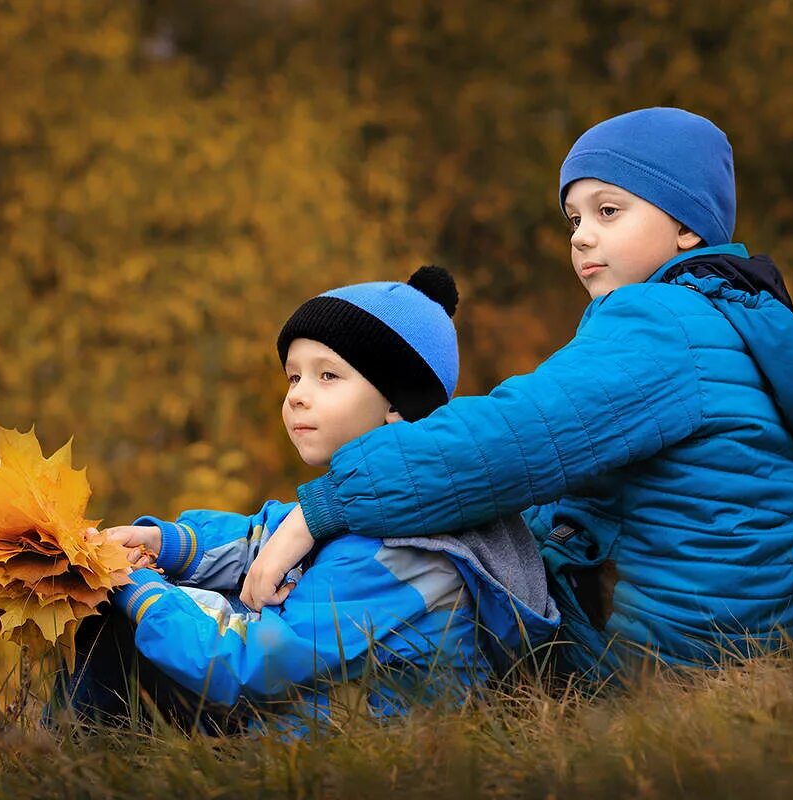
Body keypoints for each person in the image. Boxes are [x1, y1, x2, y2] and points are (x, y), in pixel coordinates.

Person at [240, 108, 793, 681]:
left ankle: (248, 670)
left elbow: (513, 441)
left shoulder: (661, 326)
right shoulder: (742, 322)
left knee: (432, 541)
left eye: (608, 211)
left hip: (653, 660)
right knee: (470, 511)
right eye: (575, 218)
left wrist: (328, 504)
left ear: (686, 228)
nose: (582, 237)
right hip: (753, 645)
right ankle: (204, 552)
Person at [49, 266, 559, 732]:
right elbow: (265, 536)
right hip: (302, 716)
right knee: (134, 608)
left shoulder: (400, 553)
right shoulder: (358, 505)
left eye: (328, 375)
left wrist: (136, 587)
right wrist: (167, 545)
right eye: (294, 375)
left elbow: (248, 666)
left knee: (124, 614)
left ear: (398, 406)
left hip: (337, 752)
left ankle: (70, 757)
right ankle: (78, 748)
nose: (296, 394)